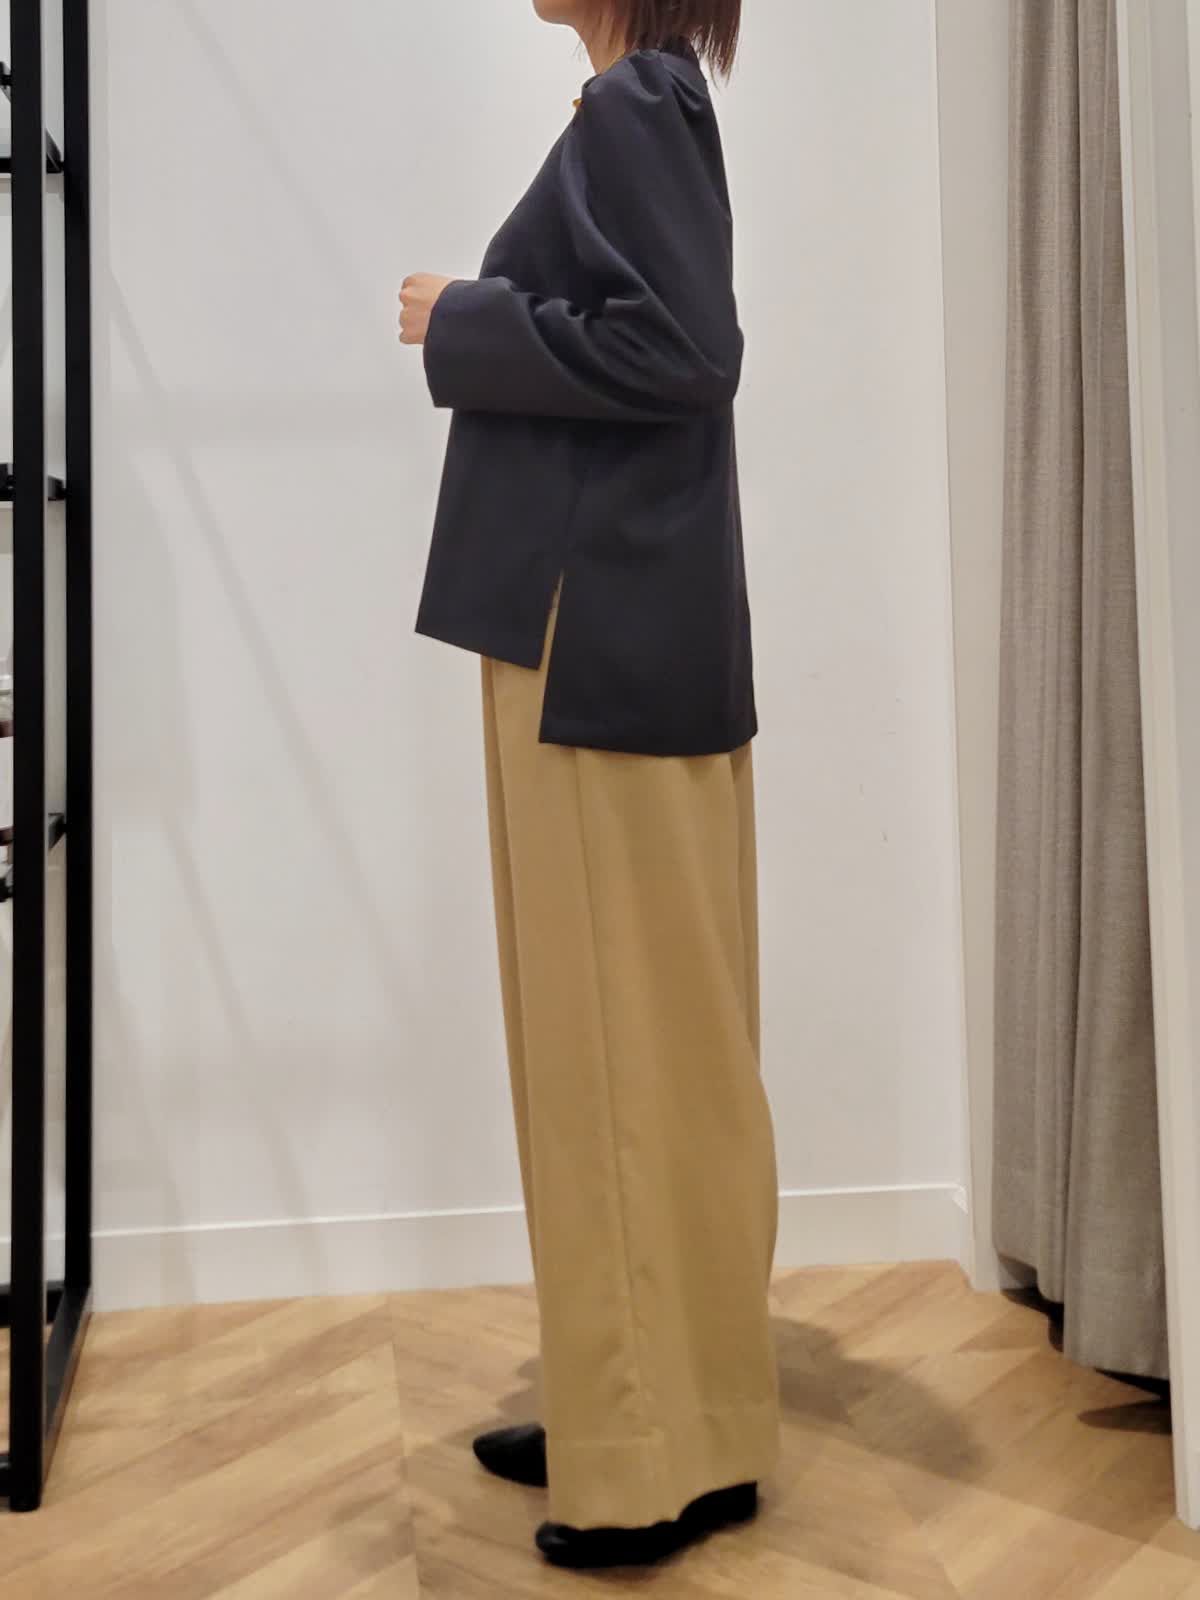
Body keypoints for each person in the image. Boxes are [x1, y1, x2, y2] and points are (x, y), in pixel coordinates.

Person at [398, 0, 780, 1571]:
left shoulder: (635, 107)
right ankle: (673, 1415)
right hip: (618, 633)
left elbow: (684, 354)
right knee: (655, 1054)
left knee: (614, 1055)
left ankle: (642, 1464)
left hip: (594, 646)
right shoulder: (646, 101)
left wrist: (463, 319)